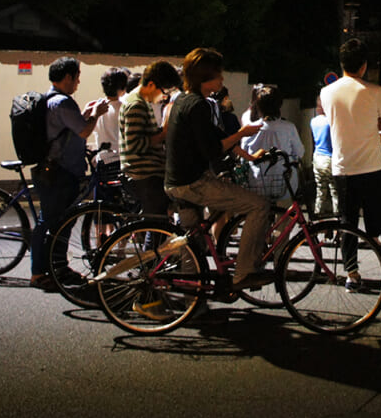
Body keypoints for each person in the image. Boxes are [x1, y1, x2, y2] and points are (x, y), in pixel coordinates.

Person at [165, 48, 269, 292]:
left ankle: (192, 302)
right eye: (218, 76)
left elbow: (217, 135)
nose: (222, 80)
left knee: (193, 245)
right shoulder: (198, 105)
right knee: (259, 205)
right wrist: (241, 134)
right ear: (205, 78)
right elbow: (213, 149)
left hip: (176, 181)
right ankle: (243, 273)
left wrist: (248, 155)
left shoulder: (183, 99)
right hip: (193, 182)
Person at [320, 38, 381, 292]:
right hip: (372, 167)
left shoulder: (326, 93)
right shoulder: (375, 91)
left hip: (342, 168)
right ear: (364, 65)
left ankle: (352, 274)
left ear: (342, 63)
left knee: (347, 223)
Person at [30, 56, 109, 291]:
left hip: (55, 170)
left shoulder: (50, 100)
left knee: (57, 223)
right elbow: (84, 131)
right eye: (77, 77)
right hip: (60, 172)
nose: (78, 82)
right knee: (51, 223)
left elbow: (71, 127)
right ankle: (40, 273)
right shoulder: (63, 102)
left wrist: (86, 113)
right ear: (67, 77)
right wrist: (97, 114)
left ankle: (56, 269)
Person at [119, 61, 182, 222]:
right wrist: (164, 133)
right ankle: (152, 249)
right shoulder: (136, 105)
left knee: (155, 223)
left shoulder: (141, 102)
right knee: (156, 226)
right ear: (152, 84)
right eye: (164, 91)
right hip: (144, 175)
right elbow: (134, 145)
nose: (164, 96)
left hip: (146, 174)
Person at [241, 84, 305, 202]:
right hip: (285, 184)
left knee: (260, 214)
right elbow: (299, 152)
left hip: (257, 183)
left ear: (258, 106)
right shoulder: (289, 128)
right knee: (286, 214)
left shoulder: (250, 128)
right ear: (279, 104)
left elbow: (243, 154)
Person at [91, 67, 130, 173]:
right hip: (121, 161)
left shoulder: (96, 107)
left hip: (103, 160)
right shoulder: (126, 108)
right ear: (122, 88)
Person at [310, 96, 338, 217]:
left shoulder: (313, 121)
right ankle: (338, 219)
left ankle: (318, 216)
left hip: (318, 158)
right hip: (331, 158)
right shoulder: (331, 122)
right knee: (335, 191)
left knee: (320, 191)